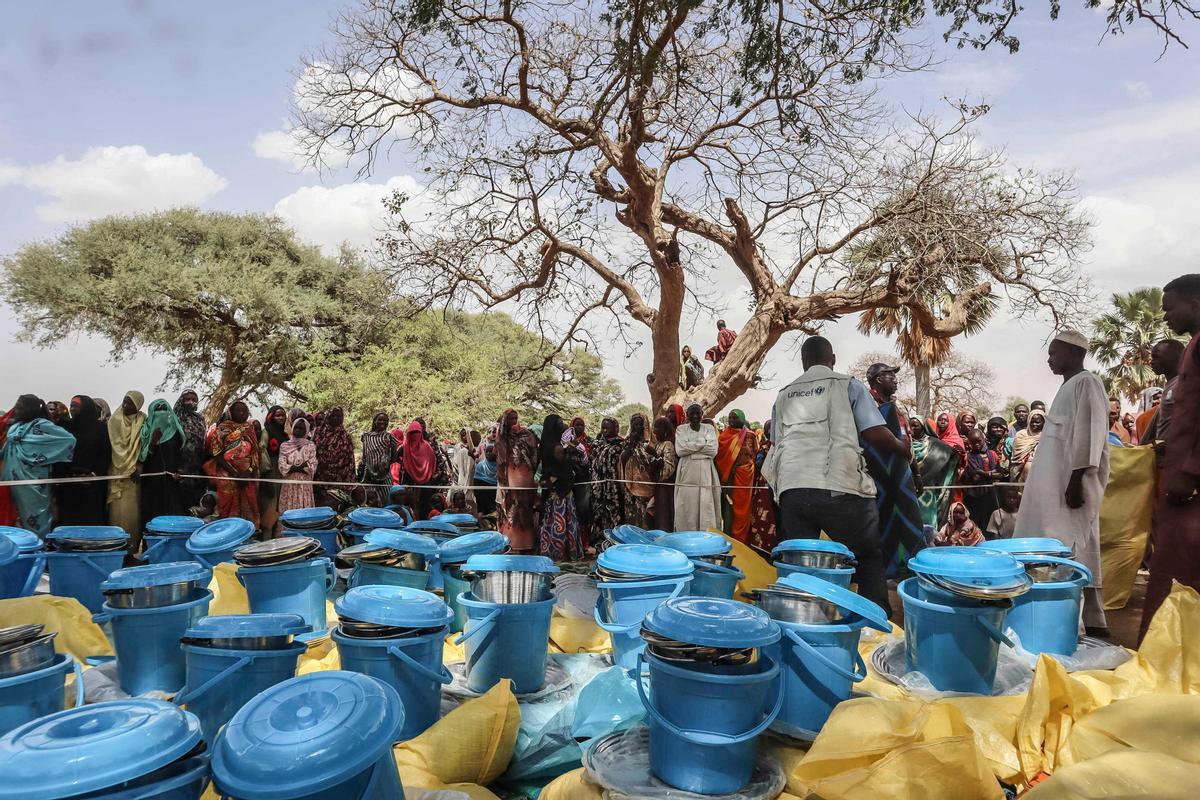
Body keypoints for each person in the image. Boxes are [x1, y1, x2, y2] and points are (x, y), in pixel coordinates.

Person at [762, 336, 908, 616]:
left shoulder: (783, 394)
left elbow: (776, 441)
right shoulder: (847, 385)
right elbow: (873, 432)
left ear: (804, 363)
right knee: (866, 555)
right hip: (838, 486)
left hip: (792, 488)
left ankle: (803, 619)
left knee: (801, 561)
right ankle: (872, 619)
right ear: (832, 359)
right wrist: (903, 449)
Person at [1013, 330, 1111, 636]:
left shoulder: (1087, 382)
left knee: (1067, 549)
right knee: (1059, 547)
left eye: (1054, 353)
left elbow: (1090, 433)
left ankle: (1070, 623)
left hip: (1069, 488)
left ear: (1073, 353)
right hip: (1051, 488)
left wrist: (1077, 479)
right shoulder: (1067, 387)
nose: (1049, 359)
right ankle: (1086, 621)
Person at [1141, 275, 1200, 641]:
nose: (1165, 317)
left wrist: (1191, 471)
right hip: (1179, 474)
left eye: (1169, 308)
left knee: (1181, 572)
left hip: (1189, 483)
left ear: (1194, 303)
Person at [862, 363, 926, 572]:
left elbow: (906, 442)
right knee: (886, 520)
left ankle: (907, 564)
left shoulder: (895, 407)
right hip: (882, 477)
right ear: (878, 379)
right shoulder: (867, 405)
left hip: (901, 474)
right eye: (890, 375)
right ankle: (890, 567)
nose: (895, 379)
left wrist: (915, 473)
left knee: (908, 518)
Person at [0, 395, 75, 536]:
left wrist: (36, 456)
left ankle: (38, 552)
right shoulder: (14, 427)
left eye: (20, 408)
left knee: (35, 524)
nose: (16, 411)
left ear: (30, 409)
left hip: (32, 485)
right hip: (11, 484)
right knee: (13, 527)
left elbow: (68, 440)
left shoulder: (42, 425)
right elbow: (5, 451)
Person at [56, 395, 111, 526]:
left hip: (91, 486)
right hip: (68, 485)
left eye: (76, 406)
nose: (72, 409)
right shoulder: (65, 428)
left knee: (90, 523)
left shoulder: (100, 428)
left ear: (86, 408)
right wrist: (63, 475)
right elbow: (58, 453)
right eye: (71, 406)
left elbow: (105, 454)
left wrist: (93, 474)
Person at [206, 400, 261, 527]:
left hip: (247, 474)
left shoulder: (250, 428)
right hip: (227, 473)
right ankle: (227, 532)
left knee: (249, 504)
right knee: (227, 505)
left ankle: (248, 534)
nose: (242, 413)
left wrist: (249, 471)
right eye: (238, 410)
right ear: (231, 412)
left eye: (245, 410)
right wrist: (235, 474)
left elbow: (255, 453)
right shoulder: (222, 428)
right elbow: (217, 454)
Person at [537, 414, 583, 561]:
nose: (563, 426)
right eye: (560, 423)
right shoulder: (556, 447)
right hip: (561, 492)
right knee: (561, 523)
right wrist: (571, 447)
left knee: (551, 521)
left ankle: (550, 550)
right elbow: (561, 465)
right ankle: (561, 553)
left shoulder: (546, 444)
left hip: (553, 489)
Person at [495, 409, 539, 552]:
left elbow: (534, 455)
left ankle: (527, 542)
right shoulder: (502, 437)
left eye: (515, 418)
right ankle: (513, 542)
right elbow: (500, 460)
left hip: (526, 475)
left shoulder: (526, 434)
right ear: (505, 421)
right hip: (510, 475)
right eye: (510, 419)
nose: (514, 422)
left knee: (525, 506)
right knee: (512, 505)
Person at [107, 391, 147, 546]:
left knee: (133, 514)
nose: (125, 405)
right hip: (118, 473)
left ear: (138, 405)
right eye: (124, 401)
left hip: (136, 474)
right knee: (117, 513)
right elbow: (116, 448)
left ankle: (131, 549)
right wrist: (128, 467)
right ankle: (115, 547)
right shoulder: (114, 420)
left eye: (130, 403)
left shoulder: (143, 420)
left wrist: (135, 467)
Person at [674, 403, 721, 531]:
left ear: (702, 415)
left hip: (706, 473)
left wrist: (691, 448)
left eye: (697, 413)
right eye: (691, 413)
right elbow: (680, 450)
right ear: (687, 415)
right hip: (687, 473)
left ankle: (706, 538)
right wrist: (702, 444)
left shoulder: (709, 429)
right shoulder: (681, 429)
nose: (695, 416)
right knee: (687, 506)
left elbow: (712, 450)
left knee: (705, 505)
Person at [139, 398, 186, 525]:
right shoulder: (145, 432)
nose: (161, 413)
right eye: (157, 410)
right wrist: (153, 441)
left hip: (171, 484)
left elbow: (181, 456)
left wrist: (180, 471)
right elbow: (142, 458)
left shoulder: (176, 433)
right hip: (151, 483)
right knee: (151, 519)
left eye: (164, 409)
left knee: (171, 519)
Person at [715, 409, 757, 541]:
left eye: (735, 418)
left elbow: (754, 452)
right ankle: (729, 537)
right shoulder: (723, 436)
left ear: (742, 419)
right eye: (730, 418)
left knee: (743, 509)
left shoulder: (750, 435)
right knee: (729, 507)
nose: (732, 420)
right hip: (728, 477)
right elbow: (720, 456)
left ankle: (742, 539)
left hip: (745, 475)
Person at [909, 418, 958, 530]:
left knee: (927, 521)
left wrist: (955, 456)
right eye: (910, 426)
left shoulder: (935, 444)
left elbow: (948, 454)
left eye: (915, 426)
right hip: (909, 487)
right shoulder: (905, 442)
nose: (911, 429)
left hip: (927, 490)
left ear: (923, 427)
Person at [1141, 339, 1184, 454]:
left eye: (1157, 357)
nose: (1151, 361)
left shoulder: (1184, 384)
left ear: (1177, 358)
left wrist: (1169, 443)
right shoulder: (1170, 386)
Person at [313, 407, 356, 510]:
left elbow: (350, 460)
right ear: (327, 417)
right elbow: (313, 454)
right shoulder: (318, 433)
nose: (336, 418)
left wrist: (350, 481)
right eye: (333, 416)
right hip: (321, 478)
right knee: (322, 510)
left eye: (339, 416)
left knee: (339, 510)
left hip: (340, 480)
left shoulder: (346, 436)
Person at [746, 421, 779, 553]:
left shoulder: (780, 447)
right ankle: (761, 547)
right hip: (762, 487)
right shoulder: (764, 446)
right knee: (761, 516)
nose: (768, 432)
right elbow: (757, 465)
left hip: (776, 485)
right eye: (766, 429)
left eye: (770, 429)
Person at [590, 418, 626, 536]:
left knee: (614, 511)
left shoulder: (621, 445)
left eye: (608, 428)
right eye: (603, 428)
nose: (604, 431)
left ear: (615, 428)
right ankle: (599, 539)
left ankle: (614, 538)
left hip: (613, 486)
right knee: (598, 511)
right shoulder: (596, 444)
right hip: (598, 485)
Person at [962, 428, 1003, 529]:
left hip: (991, 492)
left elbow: (1000, 473)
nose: (976, 444)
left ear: (984, 438)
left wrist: (982, 473)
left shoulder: (992, 454)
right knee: (977, 519)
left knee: (991, 518)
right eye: (973, 442)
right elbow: (975, 477)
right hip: (975, 494)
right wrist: (990, 474)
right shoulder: (969, 456)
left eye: (979, 441)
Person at [173, 390, 208, 509]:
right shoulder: (174, 418)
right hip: (179, 466)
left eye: (194, 400)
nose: (191, 402)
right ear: (181, 401)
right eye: (188, 399)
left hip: (197, 467)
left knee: (196, 501)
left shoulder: (200, 419)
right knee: (180, 501)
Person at [620, 413, 655, 528]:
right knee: (632, 515)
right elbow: (623, 460)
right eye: (635, 425)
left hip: (647, 486)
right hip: (631, 485)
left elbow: (652, 461)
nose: (638, 428)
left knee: (646, 517)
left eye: (640, 425)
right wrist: (631, 444)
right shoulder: (626, 442)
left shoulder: (651, 443)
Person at [278, 418, 319, 515]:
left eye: (301, 428)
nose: (298, 430)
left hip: (304, 485)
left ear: (306, 430)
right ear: (292, 428)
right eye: (296, 427)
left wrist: (298, 467)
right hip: (289, 485)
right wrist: (297, 467)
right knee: (289, 512)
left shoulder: (310, 446)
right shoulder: (284, 445)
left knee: (304, 512)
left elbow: (313, 464)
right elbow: (281, 464)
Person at [398, 418, 437, 517]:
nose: (415, 435)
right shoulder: (404, 447)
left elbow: (433, 463)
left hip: (425, 484)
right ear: (408, 433)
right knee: (408, 508)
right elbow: (394, 459)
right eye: (412, 432)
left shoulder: (427, 447)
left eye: (417, 432)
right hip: (409, 482)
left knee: (424, 508)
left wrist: (427, 475)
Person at [259, 406, 289, 532]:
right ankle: (267, 536)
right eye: (278, 415)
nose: (281, 418)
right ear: (271, 417)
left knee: (281, 503)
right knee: (271, 503)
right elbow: (262, 450)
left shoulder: (286, 433)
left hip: (284, 471)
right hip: (271, 469)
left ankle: (279, 533)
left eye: (283, 415)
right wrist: (267, 472)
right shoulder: (266, 431)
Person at [359, 413, 399, 508]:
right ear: (374, 421)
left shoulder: (390, 437)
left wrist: (384, 465)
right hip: (368, 476)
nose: (382, 422)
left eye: (385, 420)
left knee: (385, 502)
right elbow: (365, 455)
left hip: (384, 476)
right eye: (380, 420)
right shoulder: (366, 436)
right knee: (370, 502)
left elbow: (394, 456)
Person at [648, 416, 678, 532]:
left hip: (665, 486)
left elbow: (668, 469)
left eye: (658, 428)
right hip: (658, 486)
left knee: (664, 515)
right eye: (654, 427)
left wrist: (655, 455)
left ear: (665, 430)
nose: (655, 431)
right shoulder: (658, 444)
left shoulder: (668, 444)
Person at [1010, 409, 1045, 483]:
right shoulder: (1021, 435)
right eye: (1032, 422)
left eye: (1037, 422)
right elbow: (1017, 457)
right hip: (1022, 471)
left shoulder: (1048, 436)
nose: (1034, 424)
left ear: (1044, 422)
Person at [451, 428, 478, 513]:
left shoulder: (476, 449)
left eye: (466, 435)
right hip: (461, 479)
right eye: (462, 435)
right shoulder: (459, 449)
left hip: (471, 479)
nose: (464, 437)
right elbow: (455, 465)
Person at [473, 434, 499, 517]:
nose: (488, 453)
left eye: (491, 451)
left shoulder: (501, 467)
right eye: (486, 451)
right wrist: (481, 509)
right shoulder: (480, 466)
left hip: (496, 501)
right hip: (483, 501)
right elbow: (477, 490)